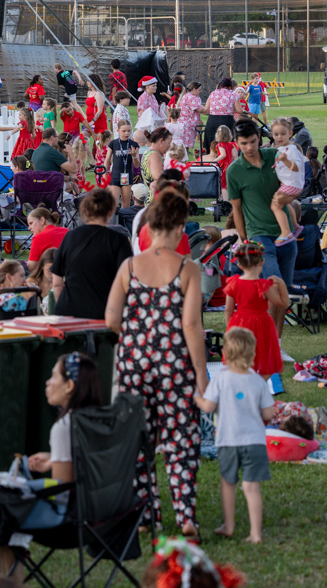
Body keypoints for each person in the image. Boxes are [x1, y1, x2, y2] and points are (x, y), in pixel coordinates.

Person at [105, 190, 206, 535]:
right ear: (179, 227)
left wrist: (136, 336)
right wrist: (202, 374)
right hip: (175, 364)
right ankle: (186, 516)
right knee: (181, 440)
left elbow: (111, 319)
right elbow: (192, 325)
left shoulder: (128, 267)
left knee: (138, 441)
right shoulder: (188, 268)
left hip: (134, 363)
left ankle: (146, 516)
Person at [193, 328, 274, 544]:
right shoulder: (258, 380)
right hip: (255, 441)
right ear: (252, 353)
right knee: (251, 487)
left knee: (228, 482)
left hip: (228, 441)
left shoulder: (221, 379)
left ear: (225, 354)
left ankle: (229, 526)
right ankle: (256, 534)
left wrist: (196, 398)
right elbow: (268, 413)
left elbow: (208, 407)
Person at [227, 119, 297, 348]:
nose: (249, 147)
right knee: (273, 287)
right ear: (236, 143)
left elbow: (294, 179)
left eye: (253, 141)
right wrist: (244, 239)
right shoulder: (234, 171)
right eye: (244, 143)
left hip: (285, 234)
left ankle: (275, 344)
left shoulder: (273, 156)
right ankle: (264, 340)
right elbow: (236, 209)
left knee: (282, 295)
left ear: (260, 138)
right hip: (258, 235)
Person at [22, 352, 104, 530]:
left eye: (53, 376)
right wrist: (54, 459)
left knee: (5, 512)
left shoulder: (64, 427)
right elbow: (90, 465)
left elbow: (62, 490)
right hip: (109, 515)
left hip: (72, 522)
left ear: (69, 386)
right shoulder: (100, 419)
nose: (48, 382)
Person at [51, 189, 132, 320]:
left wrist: (63, 311)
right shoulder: (119, 240)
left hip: (69, 311)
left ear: (84, 211)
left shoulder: (70, 237)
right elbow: (127, 282)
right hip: (104, 312)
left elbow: (57, 282)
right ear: (110, 212)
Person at [222, 241, 286, 379]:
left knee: (240, 355)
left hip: (240, 322)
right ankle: (260, 385)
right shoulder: (263, 285)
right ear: (261, 263)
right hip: (262, 323)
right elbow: (282, 303)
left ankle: (243, 384)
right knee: (262, 356)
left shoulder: (234, 283)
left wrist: (229, 327)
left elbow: (228, 309)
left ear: (239, 264)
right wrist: (281, 283)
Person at [268, 118, 305, 246]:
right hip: (288, 183)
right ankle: (295, 226)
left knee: (275, 205)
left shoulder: (292, 149)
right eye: (276, 134)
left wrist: (284, 160)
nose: (279, 137)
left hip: (292, 184)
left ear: (290, 133)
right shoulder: (283, 149)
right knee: (284, 203)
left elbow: (296, 167)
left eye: (283, 134)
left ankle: (286, 232)